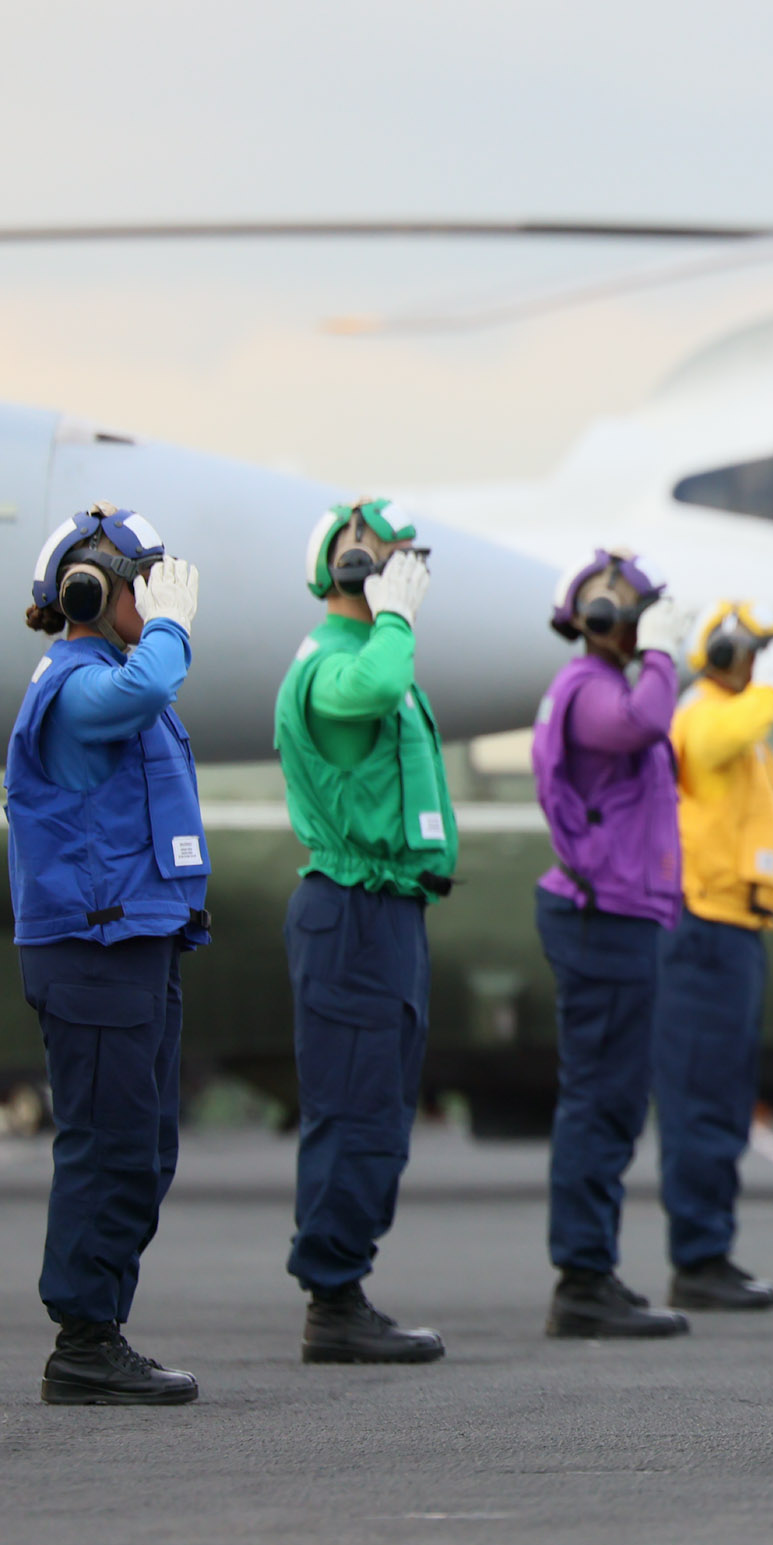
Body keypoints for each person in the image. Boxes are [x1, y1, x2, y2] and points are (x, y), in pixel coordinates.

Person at [6, 505, 208, 1403]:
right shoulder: (74, 681)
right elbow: (141, 694)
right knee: (107, 1145)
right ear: (91, 591)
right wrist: (170, 627)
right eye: (144, 579)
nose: (159, 593)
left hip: (135, 940)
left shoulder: (119, 673)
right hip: (92, 950)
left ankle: (100, 1330)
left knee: (143, 1146)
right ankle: (83, 1343)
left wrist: (156, 627)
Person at [274, 498, 453, 1365]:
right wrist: (390, 616)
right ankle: (333, 1300)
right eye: (391, 558)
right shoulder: (338, 661)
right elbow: (374, 691)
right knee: (354, 1107)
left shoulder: (372, 649)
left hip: (386, 908)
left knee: (379, 1104)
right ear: (349, 567)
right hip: (349, 909)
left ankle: (343, 1287)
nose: (407, 572)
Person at [531, 549, 692, 1340]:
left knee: (616, 1098)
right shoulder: (592, 690)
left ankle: (593, 1270)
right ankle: (583, 1279)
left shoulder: (601, 684)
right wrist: (659, 652)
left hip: (624, 914)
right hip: (603, 917)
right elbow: (645, 723)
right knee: (600, 1099)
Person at [651, 600, 773, 1312]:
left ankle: (708, 1250)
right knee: (701, 1096)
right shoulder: (704, 712)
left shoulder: (736, 724)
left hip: (734, 928)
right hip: (702, 927)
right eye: (756, 651)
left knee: (721, 1094)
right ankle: (699, 1257)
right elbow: (724, 737)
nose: (763, 665)